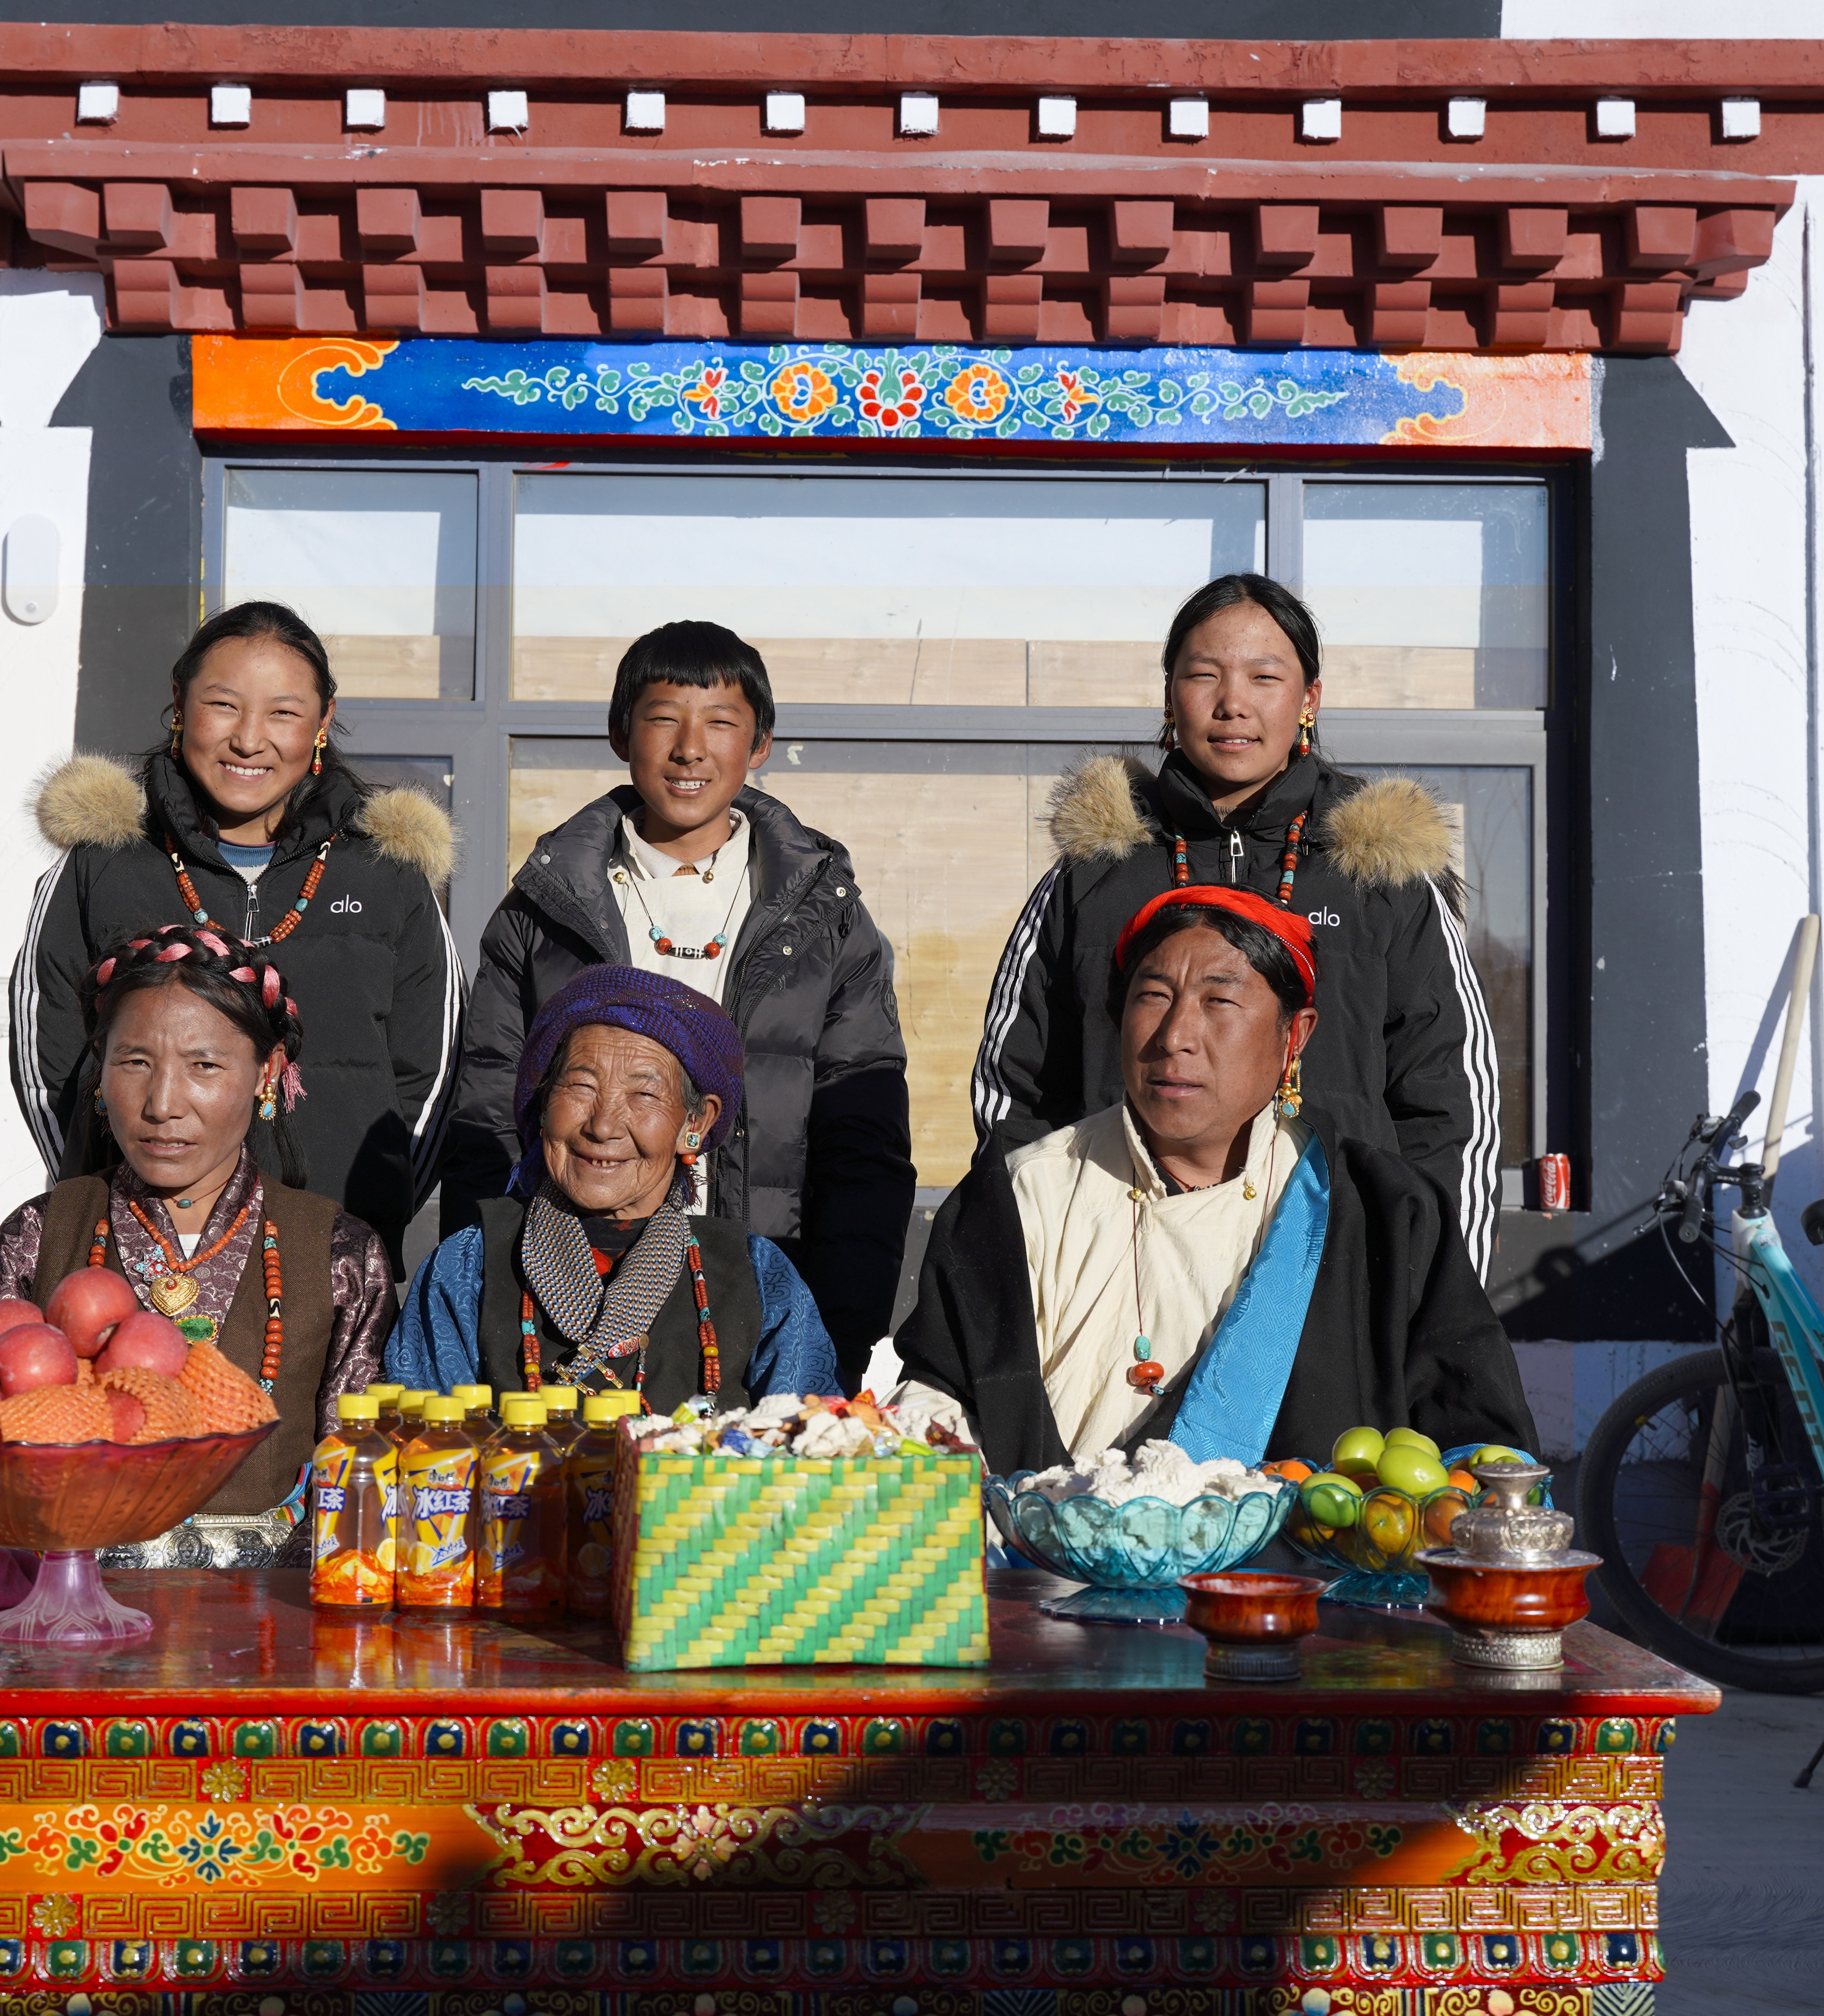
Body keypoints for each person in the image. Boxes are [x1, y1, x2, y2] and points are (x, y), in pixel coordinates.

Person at [882, 888, 1531, 1477]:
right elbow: (940, 1399)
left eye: (1219, 1000)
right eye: (1153, 995)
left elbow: (1472, 1448)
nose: (1175, 1037)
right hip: (1050, 1586)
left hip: (1304, 1600)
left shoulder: (1386, 1214)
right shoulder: (1022, 1197)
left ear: (1293, 1036)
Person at [968, 571, 1504, 1279]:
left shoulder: (1381, 871)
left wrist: (1434, 1302)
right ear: (1169, 695)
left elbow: (1449, 1104)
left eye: (1264, 676)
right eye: (1203, 675)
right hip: (1118, 1271)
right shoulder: (1095, 872)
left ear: (1308, 698)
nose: (1232, 704)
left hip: (1331, 1272)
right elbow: (1016, 1093)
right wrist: (1031, 1262)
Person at [440, 621, 910, 1379]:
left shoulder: (827, 915)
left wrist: (835, 1328)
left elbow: (864, 1143)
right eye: (664, 718)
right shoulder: (543, 909)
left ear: (758, 745)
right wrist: (484, 1295)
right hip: (562, 1291)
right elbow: (486, 1118)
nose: (691, 748)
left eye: (721, 723)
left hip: (760, 1293)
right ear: (621, 732)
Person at [0, 921, 397, 1563]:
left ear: (266, 1072)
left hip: (268, 1630)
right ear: (100, 1072)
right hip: (69, 1617)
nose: (163, 1103)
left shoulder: (339, 1254)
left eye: (204, 1065)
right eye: (134, 1062)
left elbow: (361, 1481)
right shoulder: (41, 1234)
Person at [18, 601, 457, 1257]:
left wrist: (366, 1222)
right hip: (135, 1252)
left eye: (282, 712)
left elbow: (434, 1079)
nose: (250, 740)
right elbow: (48, 1066)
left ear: (322, 721)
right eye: (223, 704)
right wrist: (94, 1195)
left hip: (329, 1256)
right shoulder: (102, 862)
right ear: (179, 702)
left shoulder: (386, 873)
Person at [389, 967, 838, 1411]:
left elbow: (813, 1452)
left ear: (695, 1123)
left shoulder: (758, 1275)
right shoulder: (468, 1267)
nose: (602, 1126)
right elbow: (421, 1453)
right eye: (581, 1086)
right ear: (543, 1105)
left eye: (643, 1095)